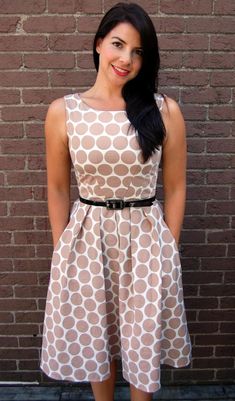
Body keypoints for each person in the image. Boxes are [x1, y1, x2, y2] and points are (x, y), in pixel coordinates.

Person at [40, 2, 191, 401]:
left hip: (146, 242)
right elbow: (57, 188)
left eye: (138, 51)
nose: (126, 58)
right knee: (98, 339)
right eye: (118, 45)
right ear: (98, 45)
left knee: (143, 343)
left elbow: (175, 187)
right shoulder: (63, 112)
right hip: (89, 241)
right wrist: (62, 249)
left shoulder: (164, 112)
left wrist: (169, 249)